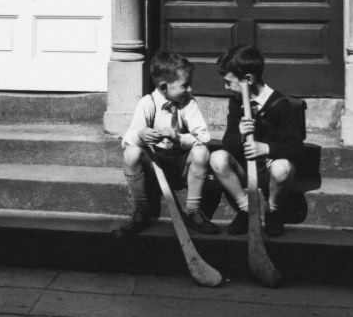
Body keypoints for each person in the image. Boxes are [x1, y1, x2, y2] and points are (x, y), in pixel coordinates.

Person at [118, 50, 219, 236]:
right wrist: (142, 134)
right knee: (131, 154)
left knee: (202, 151)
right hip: (155, 162)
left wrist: (178, 137)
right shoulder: (147, 103)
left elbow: (204, 137)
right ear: (164, 87)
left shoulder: (188, 103)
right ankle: (142, 211)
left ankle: (193, 210)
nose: (189, 89)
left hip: (180, 160)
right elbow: (127, 140)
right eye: (185, 85)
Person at [210, 45, 305, 237]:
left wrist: (267, 148)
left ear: (248, 79)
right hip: (246, 169)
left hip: (272, 170)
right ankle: (247, 209)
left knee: (282, 168)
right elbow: (228, 145)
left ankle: (273, 211)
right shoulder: (237, 102)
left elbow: (296, 149)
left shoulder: (284, 105)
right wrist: (238, 133)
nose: (225, 87)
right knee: (217, 158)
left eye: (229, 82)